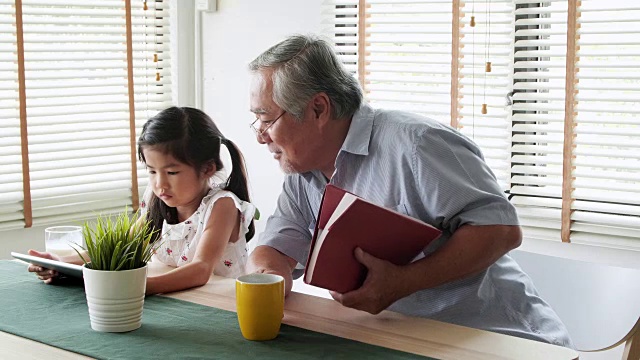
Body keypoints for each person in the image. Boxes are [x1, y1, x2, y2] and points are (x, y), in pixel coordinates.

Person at [245, 34, 573, 347]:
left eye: (266, 119)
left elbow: (501, 231)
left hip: (496, 338)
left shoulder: (417, 145)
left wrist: (404, 282)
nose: (260, 136)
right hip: (400, 338)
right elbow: (275, 248)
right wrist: (270, 277)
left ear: (318, 109)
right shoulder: (303, 171)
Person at [28, 106, 256, 295]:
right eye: (152, 171)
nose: (160, 184)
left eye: (172, 173)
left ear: (207, 168)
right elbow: (120, 251)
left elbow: (201, 269)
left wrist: (136, 287)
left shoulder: (221, 205)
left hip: (221, 306)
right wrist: (60, 264)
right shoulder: (158, 200)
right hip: (177, 301)